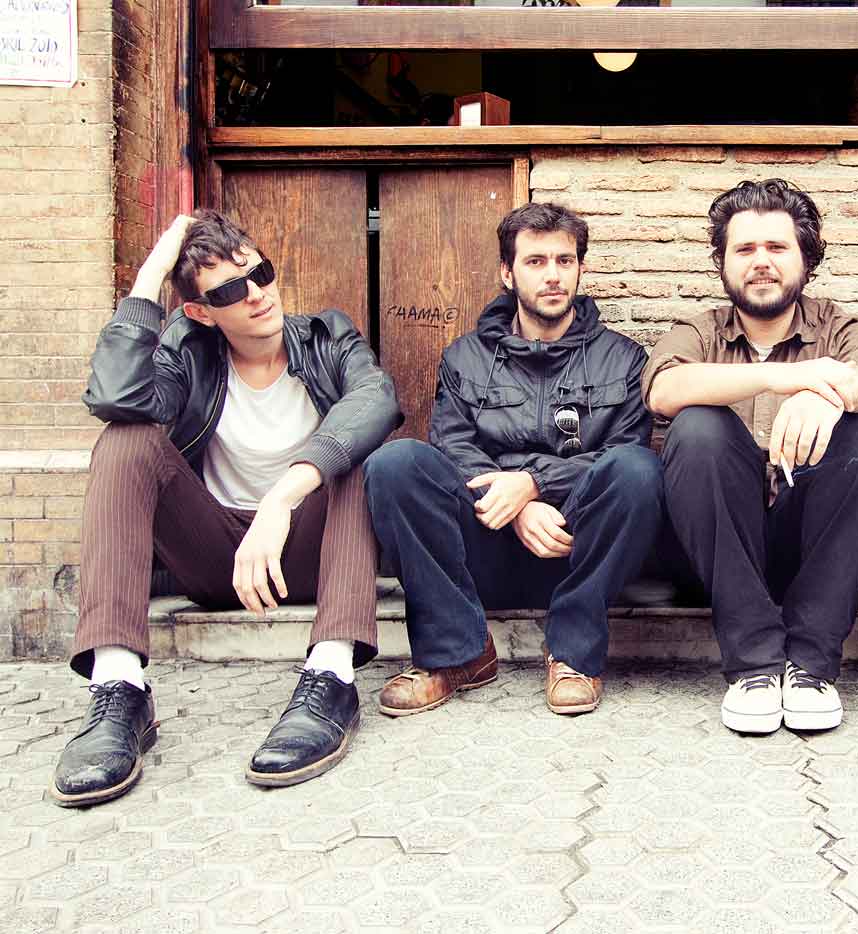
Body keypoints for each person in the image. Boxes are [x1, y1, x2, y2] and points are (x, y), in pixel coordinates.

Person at [52, 210, 402, 807]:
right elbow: (116, 397)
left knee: (360, 456)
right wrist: (152, 275)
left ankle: (332, 677)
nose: (257, 295)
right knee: (125, 438)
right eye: (230, 291)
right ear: (200, 311)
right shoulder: (187, 350)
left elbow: (376, 399)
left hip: (310, 552)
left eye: (260, 274)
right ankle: (119, 688)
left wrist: (281, 499)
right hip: (219, 560)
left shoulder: (327, 336)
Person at [364, 203, 662, 717]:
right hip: (486, 543)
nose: (553, 275)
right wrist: (518, 503)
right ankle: (457, 655)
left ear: (581, 269)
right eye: (535, 261)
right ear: (507, 273)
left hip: (577, 548)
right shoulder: (466, 357)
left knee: (640, 470)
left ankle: (574, 655)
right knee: (396, 463)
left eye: (564, 261)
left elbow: (624, 450)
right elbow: (453, 448)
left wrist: (534, 482)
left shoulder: (623, 359)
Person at [644, 179, 858, 735]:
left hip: (809, 554)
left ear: (805, 259)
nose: (760, 261)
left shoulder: (837, 326)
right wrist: (784, 377)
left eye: (777, 247)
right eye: (744, 249)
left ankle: (810, 666)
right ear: (722, 263)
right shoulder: (700, 330)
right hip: (714, 558)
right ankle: (754, 668)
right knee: (696, 426)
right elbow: (664, 390)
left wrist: (831, 396)